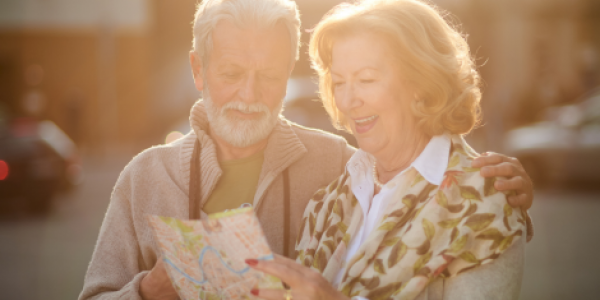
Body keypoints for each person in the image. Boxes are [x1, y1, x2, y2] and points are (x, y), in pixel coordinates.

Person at [79, 0, 533, 299]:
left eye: (271, 75)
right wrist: (146, 292)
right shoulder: (144, 178)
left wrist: (494, 191)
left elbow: (436, 173)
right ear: (198, 70)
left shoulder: (334, 164)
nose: (250, 94)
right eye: (232, 72)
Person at [247, 1, 531, 300]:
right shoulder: (326, 203)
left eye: (366, 79)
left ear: (421, 82)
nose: (347, 100)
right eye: (339, 82)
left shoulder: (483, 200)